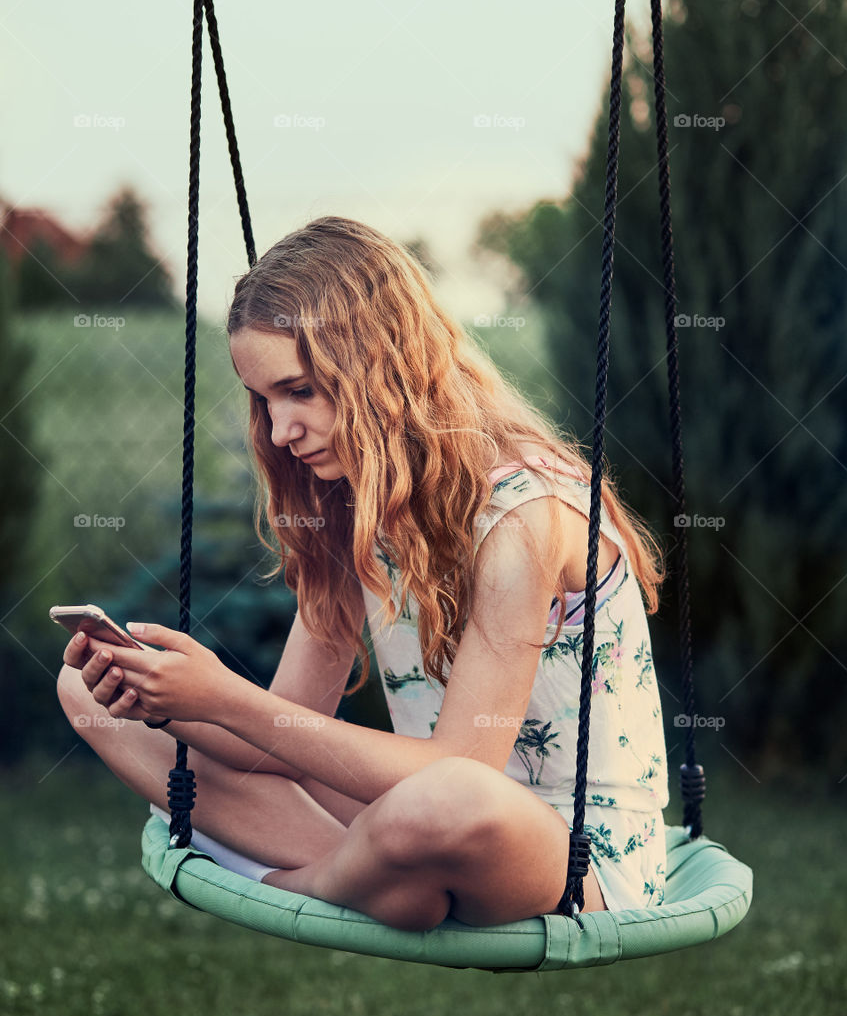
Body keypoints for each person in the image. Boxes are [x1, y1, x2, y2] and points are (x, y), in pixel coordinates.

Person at [57, 215, 669, 932]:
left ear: (382, 366)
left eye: (300, 391)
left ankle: (315, 881)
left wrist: (225, 696)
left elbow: (462, 769)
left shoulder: (526, 515)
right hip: (408, 814)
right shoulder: (356, 507)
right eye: (265, 400)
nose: (280, 431)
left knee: (442, 802)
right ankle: (379, 879)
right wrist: (171, 700)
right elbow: (282, 737)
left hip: (567, 854)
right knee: (84, 691)